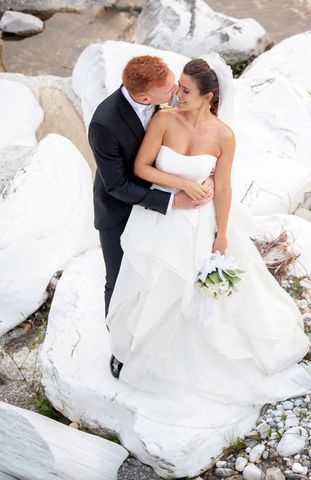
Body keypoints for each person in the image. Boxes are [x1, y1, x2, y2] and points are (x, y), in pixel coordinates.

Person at [105, 57, 311, 405]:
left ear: (208, 96)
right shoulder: (164, 119)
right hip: (161, 216)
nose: (177, 94)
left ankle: (191, 359)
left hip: (201, 222)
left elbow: (224, 188)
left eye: (185, 90)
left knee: (196, 292)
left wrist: (221, 235)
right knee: (151, 283)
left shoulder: (223, 136)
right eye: (178, 87)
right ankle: (139, 350)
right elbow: (141, 168)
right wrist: (184, 184)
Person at [87, 56, 213, 377]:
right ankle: (119, 348)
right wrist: (173, 202)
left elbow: (202, 128)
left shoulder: (167, 98)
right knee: (118, 279)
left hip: (162, 196)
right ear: (145, 98)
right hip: (120, 208)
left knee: (158, 273)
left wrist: (206, 173)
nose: (176, 89)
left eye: (174, 81)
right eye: (169, 87)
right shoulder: (104, 124)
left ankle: (160, 335)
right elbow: (116, 184)